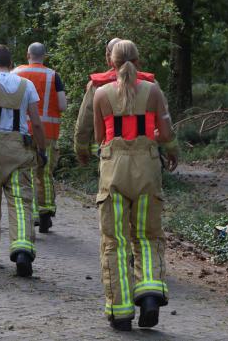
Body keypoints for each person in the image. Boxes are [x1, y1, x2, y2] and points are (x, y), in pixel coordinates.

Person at [92, 40, 178, 331]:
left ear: (111, 63)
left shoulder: (100, 94)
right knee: (147, 236)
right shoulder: (153, 91)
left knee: (114, 242)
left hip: (113, 172)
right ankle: (151, 292)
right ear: (138, 61)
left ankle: (121, 311)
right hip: (147, 171)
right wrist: (151, 134)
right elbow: (165, 133)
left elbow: (99, 138)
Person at [0, 45, 47, 277]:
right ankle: (23, 248)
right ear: (11, 63)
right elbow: (35, 122)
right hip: (19, 149)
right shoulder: (27, 85)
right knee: (21, 202)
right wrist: (42, 150)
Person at [74, 38, 161, 166]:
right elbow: (162, 125)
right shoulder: (152, 85)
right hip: (146, 156)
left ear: (110, 58)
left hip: (112, 156)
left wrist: (81, 151)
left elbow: (84, 123)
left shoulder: (97, 86)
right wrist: (170, 149)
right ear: (136, 59)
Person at [13, 42, 66, 233]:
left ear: (28, 54)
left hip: (21, 132)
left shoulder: (16, 73)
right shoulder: (53, 76)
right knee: (44, 172)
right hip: (49, 133)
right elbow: (62, 106)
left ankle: (32, 213)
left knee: (27, 172)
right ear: (45, 56)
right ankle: (46, 212)